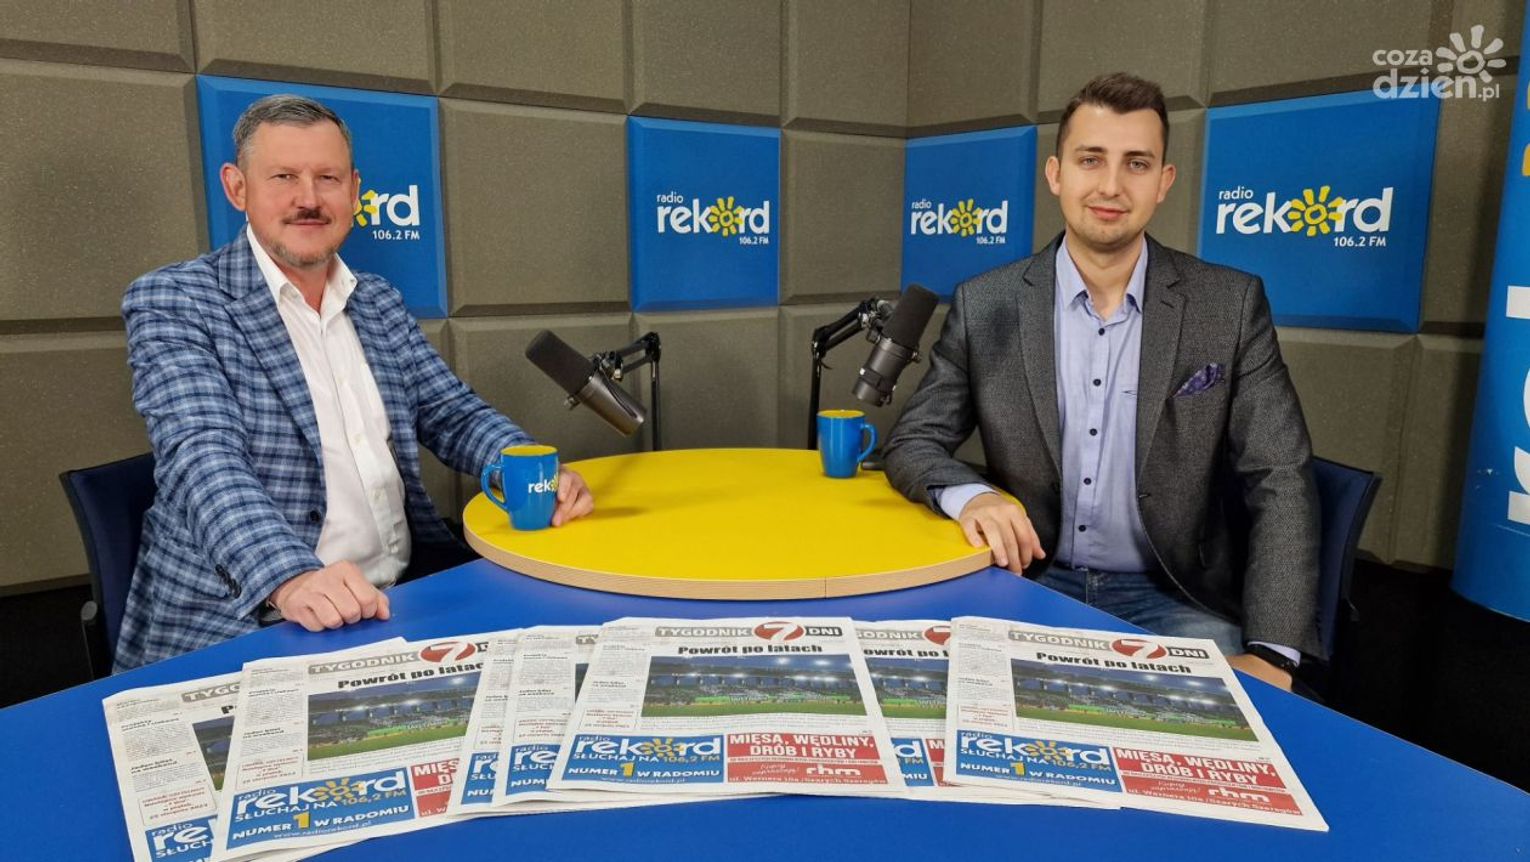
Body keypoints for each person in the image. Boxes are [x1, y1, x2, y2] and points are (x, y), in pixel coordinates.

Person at [115, 94, 594, 670]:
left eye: (328, 178)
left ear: (354, 190)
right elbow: (203, 456)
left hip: (400, 600)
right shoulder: (177, 300)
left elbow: (453, 414)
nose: (308, 199)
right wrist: (290, 577)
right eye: (284, 177)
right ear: (237, 188)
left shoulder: (378, 301)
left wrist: (528, 470)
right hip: (251, 620)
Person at [883, 73, 1319, 690]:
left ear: (1163, 181)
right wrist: (971, 496)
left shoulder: (1229, 305)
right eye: (1091, 159)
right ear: (1056, 174)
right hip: (1027, 584)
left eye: (1136, 163)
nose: (1111, 185)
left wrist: (1274, 651)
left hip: (1176, 597)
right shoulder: (986, 304)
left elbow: (1280, 475)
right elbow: (914, 441)